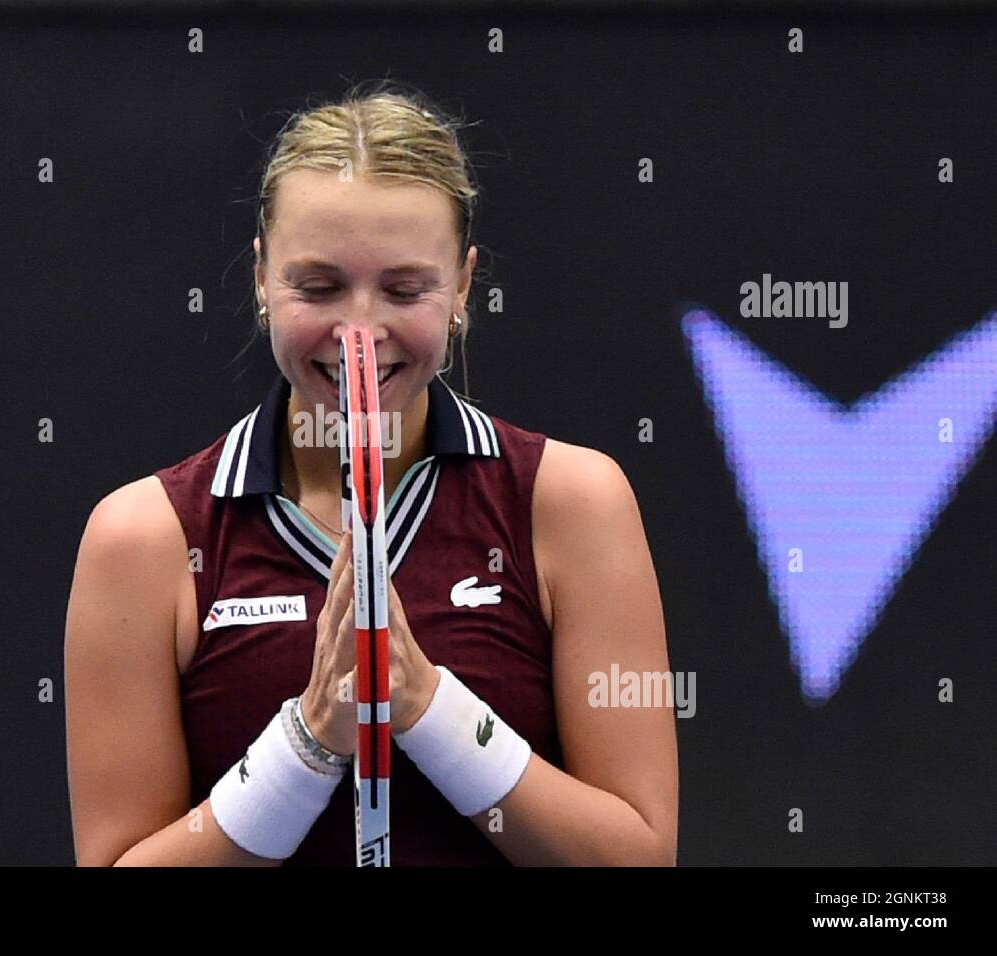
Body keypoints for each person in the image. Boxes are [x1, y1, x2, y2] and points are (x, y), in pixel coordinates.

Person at [64, 81, 678, 866]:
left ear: (462, 284)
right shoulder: (144, 539)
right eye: (317, 287)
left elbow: (641, 858)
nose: (359, 330)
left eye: (405, 288)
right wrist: (310, 741)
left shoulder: (570, 503)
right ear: (260, 279)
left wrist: (425, 707)